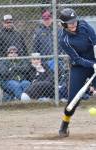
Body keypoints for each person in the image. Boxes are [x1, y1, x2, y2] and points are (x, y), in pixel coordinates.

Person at [58, 8, 96, 137]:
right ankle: (64, 125)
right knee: (73, 99)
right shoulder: (64, 40)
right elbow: (77, 59)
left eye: (74, 21)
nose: (74, 24)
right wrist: (92, 64)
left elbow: (95, 42)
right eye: (70, 23)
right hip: (79, 66)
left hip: (95, 58)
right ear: (64, 24)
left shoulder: (84, 25)